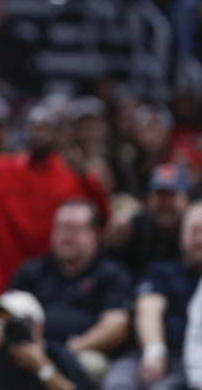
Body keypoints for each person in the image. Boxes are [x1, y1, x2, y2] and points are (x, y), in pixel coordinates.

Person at [0, 104, 110, 283]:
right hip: (0, 273)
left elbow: (101, 218)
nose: (38, 133)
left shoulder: (74, 176)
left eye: (46, 127)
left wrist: (89, 179)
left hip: (48, 279)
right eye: (33, 126)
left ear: (58, 135)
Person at [11, 199, 133, 386]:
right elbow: (5, 312)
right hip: (29, 350)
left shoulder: (111, 274)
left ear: (94, 233)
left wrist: (69, 350)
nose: (66, 236)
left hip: (81, 351)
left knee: (91, 365)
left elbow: (116, 326)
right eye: (61, 227)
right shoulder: (32, 271)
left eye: (75, 229)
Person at [101, 201, 202, 390]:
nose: (199, 239)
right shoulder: (162, 271)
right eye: (194, 231)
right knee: (117, 384)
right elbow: (148, 307)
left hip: (190, 360)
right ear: (182, 235)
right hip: (148, 353)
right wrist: (154, 351)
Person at [0, 290, 91, 390]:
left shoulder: (58, 355)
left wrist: (43, 368)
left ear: (37, 326)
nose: (10, 328)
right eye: (3, 322)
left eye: (14, 322)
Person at [107, 163, 191, 280]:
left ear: (187, 199)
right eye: (159, 195)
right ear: (148, 199)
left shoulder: (195, 231)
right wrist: (115, 245)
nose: (164, 203)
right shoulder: (132, 229)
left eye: (170, 195)